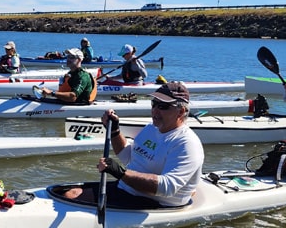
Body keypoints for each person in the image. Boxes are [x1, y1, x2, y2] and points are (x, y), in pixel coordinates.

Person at [65, 81, 204, 208]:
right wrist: (114, 131)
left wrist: (119, 172)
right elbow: (128, 157)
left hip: (157, 203)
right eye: (153, 104)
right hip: (127, 189)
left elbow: (167, 188)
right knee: (67, 192)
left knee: (70, 196)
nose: (155, 110)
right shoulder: (151, 128)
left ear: (181, 111)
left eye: (162, 106)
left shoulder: (187, 143)